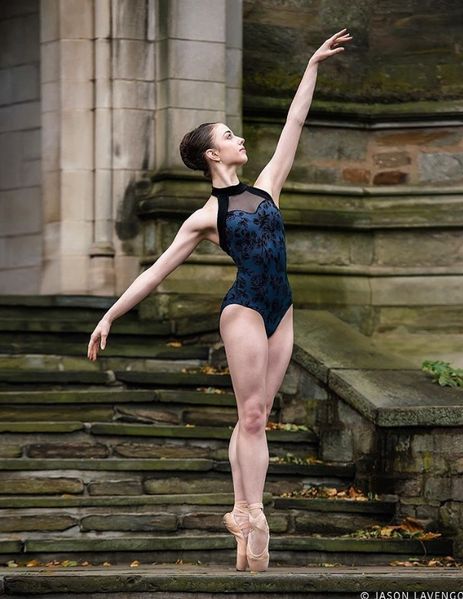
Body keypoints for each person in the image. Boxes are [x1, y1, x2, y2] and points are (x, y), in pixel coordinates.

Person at [87, 28, 352, 571]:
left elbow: (293, 124)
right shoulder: (207, 217)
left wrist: (312, 66)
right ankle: (252, 512)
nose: (240, 140)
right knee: (252, 414)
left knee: (257, 417)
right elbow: (156, 271)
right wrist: (109, 316)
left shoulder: (267, 187)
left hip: (283, 308)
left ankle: (239, 513)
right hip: (246, 309)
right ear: (213, 153)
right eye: (230, 135)